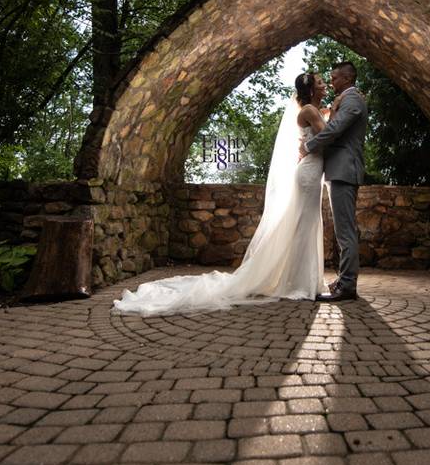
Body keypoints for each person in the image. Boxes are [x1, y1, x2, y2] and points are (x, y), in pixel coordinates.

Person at [111, 72, 331, 316]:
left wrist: (334, 110)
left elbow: (322, 127)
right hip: (309, 173)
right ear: (311, 89)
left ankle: (301, 280)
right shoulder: (310, 110)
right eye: (321, 82)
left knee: (307, 224)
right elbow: (327, 136)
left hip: (311, 171)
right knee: (306, 225)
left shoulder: (312, 109)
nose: (325, 85)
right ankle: (301, 284)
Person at [299, 61, 368, 302]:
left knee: (345, 231)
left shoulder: (353, 100)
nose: (331, 82)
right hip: (338, 170)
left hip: (344, 170)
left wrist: (308, 147)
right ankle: (343, 279)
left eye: (335, 78)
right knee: (343, 230)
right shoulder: (344, 101)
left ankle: (347, 286)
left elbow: (335, 130)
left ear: (347, 80)